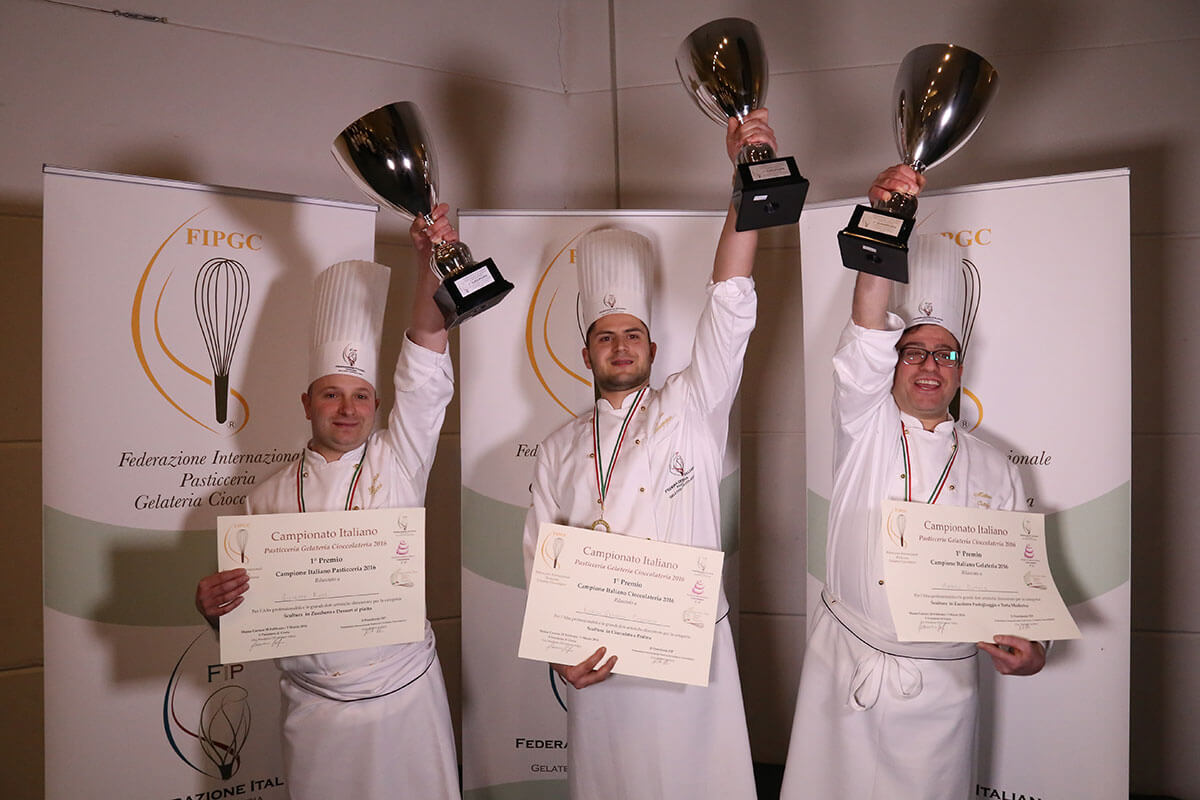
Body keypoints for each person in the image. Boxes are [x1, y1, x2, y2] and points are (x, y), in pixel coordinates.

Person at [521, 111, 775, 800]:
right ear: (586, 352)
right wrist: (560, 652)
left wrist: (743, 186)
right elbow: (542, 563)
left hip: (690, 661)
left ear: (654, 350)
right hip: (602, 670)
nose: (622, 346)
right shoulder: (557, 450)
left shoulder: (690, 408)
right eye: (606, 336)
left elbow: (729, 309)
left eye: (634, 333)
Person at [778, 165, 1046, 800]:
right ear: (894, 363)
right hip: (844, 668)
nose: (930, 365)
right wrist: (890, 217)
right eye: (914, 350)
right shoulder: (863, 423)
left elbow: (1018, 591)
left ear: (961, 368)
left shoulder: (995, 467)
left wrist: (1032, 650)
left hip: (941, 690)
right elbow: (868, 325)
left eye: (945, 353)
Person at [194, 205, 461, 800]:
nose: (347, 408)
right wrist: (216, 608)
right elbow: (252, 616)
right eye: (331, 394)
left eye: (361, 395)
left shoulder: (400, 460)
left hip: (405, 696)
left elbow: (424, 362)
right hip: (315, 712)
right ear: (306, 403)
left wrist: (430, 264)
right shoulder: (264, 498)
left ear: (375, 404)